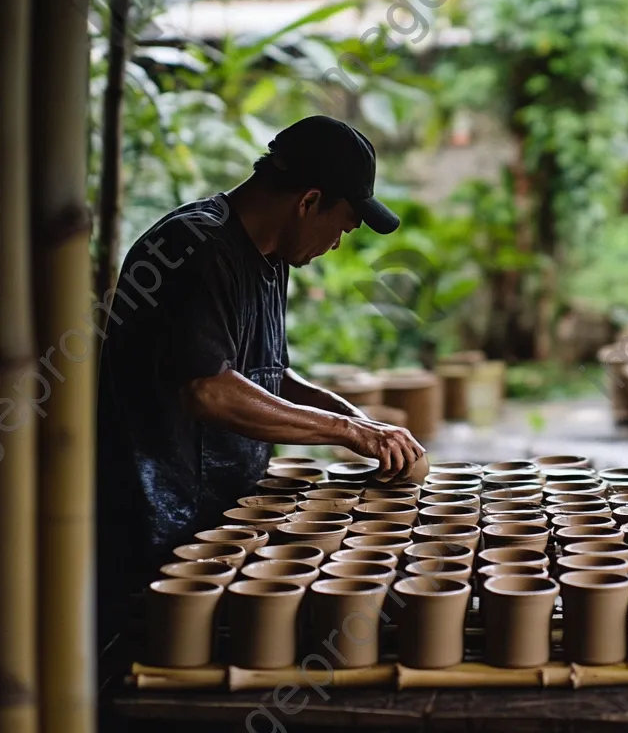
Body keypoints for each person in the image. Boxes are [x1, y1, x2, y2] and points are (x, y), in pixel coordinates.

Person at [96, 116, 424, 639]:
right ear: (308, 201)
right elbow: (209, 389)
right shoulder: (194, 246)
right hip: (157, 527)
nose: (337, 243)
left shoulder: (271, 257)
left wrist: (355, 419)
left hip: (222, 515)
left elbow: (269, 374)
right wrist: (347, 433)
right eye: (342, 226)